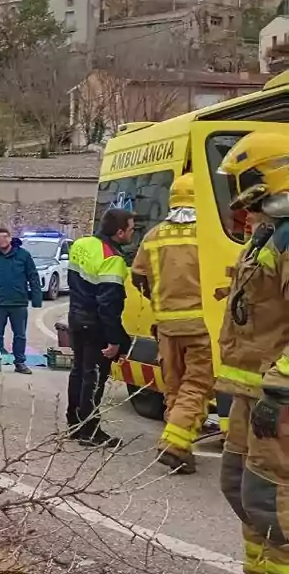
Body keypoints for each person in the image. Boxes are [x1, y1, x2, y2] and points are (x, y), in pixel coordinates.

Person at [214, 132, 289, 574]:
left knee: (276, 507)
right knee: (242, 491)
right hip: (253, 391)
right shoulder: (267, 233)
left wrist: (280, 389)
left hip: (277, 396)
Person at [130, 174, 211, 473]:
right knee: (198, 385)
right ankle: (174, 444)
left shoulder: (154, 236)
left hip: (166, 326)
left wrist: (158, 301)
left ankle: (181, 451)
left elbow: (138, 276)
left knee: (175, 387)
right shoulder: (208, 233)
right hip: (201, 325)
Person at [66, 208, 135, 447]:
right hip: (95, 325)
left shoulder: (81, 244)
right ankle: (89, 431)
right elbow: (108, 305)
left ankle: (74, 424)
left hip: (75, 318)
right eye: (131, 228)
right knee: (93, 378)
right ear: (119, 232)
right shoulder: (113, 259)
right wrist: (115, 340)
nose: (133, 232)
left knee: (78, 373)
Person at [0, 228, 43, 375]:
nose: (2, 241)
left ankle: (20, 363)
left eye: (5, 237)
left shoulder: (23, 255)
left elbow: (33, 276)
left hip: (18, 303)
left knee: (20, 334)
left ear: (10, 238)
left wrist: (36, 299)